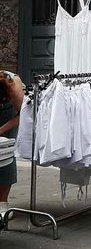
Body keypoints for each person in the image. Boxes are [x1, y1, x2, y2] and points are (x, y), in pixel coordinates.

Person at [0, 70, 24, 218]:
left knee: (5, 152)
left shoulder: (14, 86)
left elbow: (23, 113)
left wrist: (1, 130)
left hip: (9, 112)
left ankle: (2, 203)